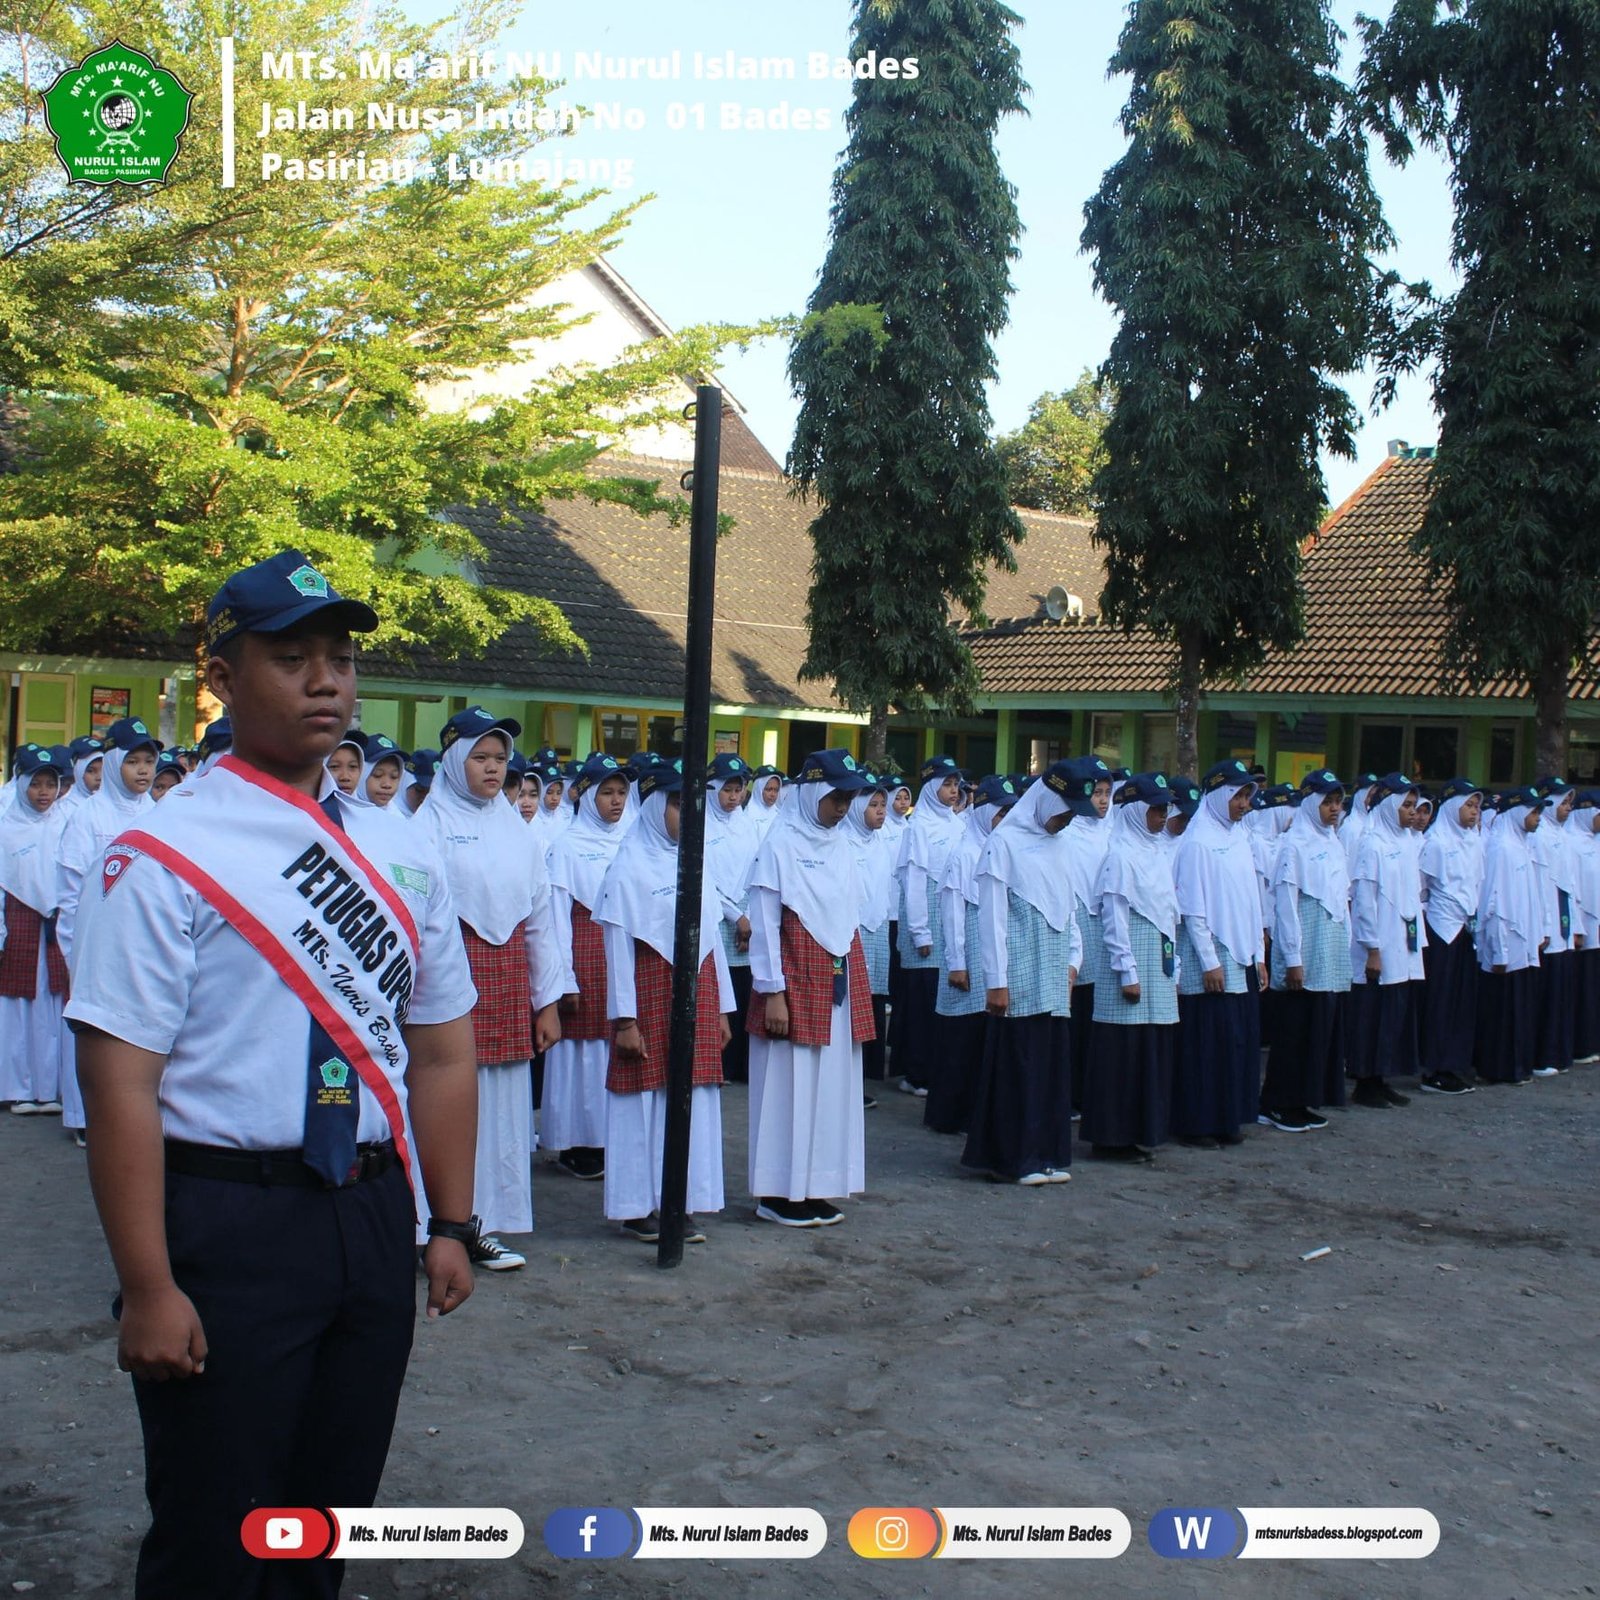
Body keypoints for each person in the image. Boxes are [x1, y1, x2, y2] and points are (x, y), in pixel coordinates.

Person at [65, 549, 479, 1600]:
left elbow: (440, 1043)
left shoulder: (403, 854)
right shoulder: (162, 853)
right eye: (290, 657)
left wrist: (452, 1220)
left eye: (340, 657)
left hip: (371, 1208)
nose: (326, 680)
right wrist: (150, 1285)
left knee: (324, 1523)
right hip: (229, 1220)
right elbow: (120, 1083)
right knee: (215, 1531)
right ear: (221, 674)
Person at [414, 708, 568, 1268]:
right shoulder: (424, 827)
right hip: (446, 977)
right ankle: (433, 1222)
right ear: (454, 759)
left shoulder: (516, 831)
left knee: (501, 1102)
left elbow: (541, 918)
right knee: (445, 1098)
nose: (492, 768)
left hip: (507, 979)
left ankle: (485, 1221)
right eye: (480, 757)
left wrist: (546, 1001)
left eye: (500, 759)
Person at [593, 762, 730, 1241]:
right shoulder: (627, 867)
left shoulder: (695, 860)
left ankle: (683, 1199)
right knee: (644, 1098)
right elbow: (617, 951)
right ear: (653, 807)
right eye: (676, 804)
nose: (687, 814)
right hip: (649, 994)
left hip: (698, 989)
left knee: (693, 1094)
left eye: (692, 804)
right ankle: (638, 1206)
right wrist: (624, 1021)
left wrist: (723, 1009)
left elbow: (712, 935)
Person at [745, 749, 874, 1227]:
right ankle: (779, 1192)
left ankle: (818, 1184)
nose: (842, 807)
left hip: (836, 975)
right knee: (788, 1084)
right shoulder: (778, 844)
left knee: (833, 1084)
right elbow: (764, 921)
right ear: (813, 792)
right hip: (793, 976)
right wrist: (772, 989)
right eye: (835, 796)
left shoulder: (839, 845)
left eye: (848, 798)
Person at [960, 759, 1090, 1185]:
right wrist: (995, 980)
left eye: (1074, 812)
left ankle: (1047, 1153)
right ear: (1045, 798)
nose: (1068, 819)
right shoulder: (1005, 843)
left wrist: (1074, 961)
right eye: (1064, 809)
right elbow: (992, 918)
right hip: (1018, 973)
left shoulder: (1062, 846)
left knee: (1050, 1064)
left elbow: (1069, 910)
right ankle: (1013, 1157)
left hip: (1053, 973)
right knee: (1019, 1064)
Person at [1083, 772, 1180, 1162]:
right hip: (1131, 971)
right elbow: (1114, 917)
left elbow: (1169, 916)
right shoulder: (1120, 855)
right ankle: (1111, 1138)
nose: (1161, 817)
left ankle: (1143, 1132)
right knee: (1123, 1055)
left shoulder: (1156, 852)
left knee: (1150, 1052)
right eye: (1154, 810)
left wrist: (1174, 969)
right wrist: (1127, 970)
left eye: (1163, 810)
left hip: (1157, 968)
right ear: (1137, 811)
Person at [1171, 760, 1267, 1147]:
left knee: (1235, 1042)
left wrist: (1259, 953)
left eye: (1248, 796)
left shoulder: (1239, 838)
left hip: (1241, 953)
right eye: (1238, 795)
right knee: (1206, 1044)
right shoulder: (1196, 842)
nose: (1244, 804)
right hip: (1209, 956)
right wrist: (1210, 961)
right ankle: (1198, 1123)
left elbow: (1251, 900)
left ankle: (1228, 1118)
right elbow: (1193, 909)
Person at [544, 754, 630, 1181]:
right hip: (583, 949)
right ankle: (578, 1141)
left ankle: (610, 1135)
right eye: (607, 793)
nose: (615, 802)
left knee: (613, 1040)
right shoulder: (567, 846)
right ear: (589, 796)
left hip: (619, 950)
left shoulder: (630, 840)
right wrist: (564, 976)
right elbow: (557, 915)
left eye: (621, 793)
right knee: (581, 1049)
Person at [1259, 770, 1351, 1129]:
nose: (1333, 809)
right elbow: (1286, 905)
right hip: (1305, 951)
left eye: (1338, 802)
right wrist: (1293, 959)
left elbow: (1341, 899)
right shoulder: (1292, 844)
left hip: (1329, 950)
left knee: (1319, 1029)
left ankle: (1305, 1098)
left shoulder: (1333, 842)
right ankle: (1279, 1102)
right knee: (1294, 1031)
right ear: (1311, 803)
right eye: (1326, 802)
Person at [929, 775, 1016, 1136]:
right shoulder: (965, 853)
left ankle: (973, 1112)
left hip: (988, 962)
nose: (1004, 822)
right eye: (999, 815)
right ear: (983, 814)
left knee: (981, 1039)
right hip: (965, 962)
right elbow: (952, 911)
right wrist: (956, 963)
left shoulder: (1002, 850)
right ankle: (950, 1114)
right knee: (960, 1041)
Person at [1346, 774, 1423, 1108]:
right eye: (1405, 805)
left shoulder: (1404, 841)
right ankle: (1365, 1081)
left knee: (1393, 1013)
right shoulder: (1371, 842)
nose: (1411, 812)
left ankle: (1381, 1076)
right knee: (1371, 1014)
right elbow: (1364, 900)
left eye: (1413, 805)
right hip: (1378, 945)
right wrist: (1372, 948)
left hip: (1402, 941)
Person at [892, 755, 966, 1097]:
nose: (953, 791)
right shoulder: (918, 826)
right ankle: (916, 1073)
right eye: (947, 785)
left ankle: (937, 1068)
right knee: (923, 1000)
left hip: (952, 924)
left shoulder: (957, 823)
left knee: (944, 999)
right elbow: (914, 881)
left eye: (955, 785)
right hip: (927, 926)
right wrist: (920, 931)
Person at [1, 746, 69, 1117]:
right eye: (35, 784)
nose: (44, 792)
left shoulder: (64, 823)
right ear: (21, 784)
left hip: (55, 924)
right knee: (16, 1006)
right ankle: (17, 1088)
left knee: (52, 1005)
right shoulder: (5, 826)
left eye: (50, 784)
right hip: (18, 923)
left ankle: (49, 1087)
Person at [1417, 778, 1486, 1095]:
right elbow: (1422, 888)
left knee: (1462, 1000)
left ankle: (1453, 1064)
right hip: (1441, 927)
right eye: (1468, 805)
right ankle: (1433, 1068)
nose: (1474, 812)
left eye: (1477, 806)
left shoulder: (1473, 841)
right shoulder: (1436, 842)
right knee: (1441, 1000)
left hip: (1465, 928)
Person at [1475, 788, 1548, 1085]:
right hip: (1505, 941)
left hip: (1522, 942)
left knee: (1518, 1008)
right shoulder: (1501, 847)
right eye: (1533, 812)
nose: (1537, 819)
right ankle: (1497, 1067)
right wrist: (1500, 949)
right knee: (1501, 1011)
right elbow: (1494, 902)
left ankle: (1516, 1065)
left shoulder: (1522, 846)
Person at [1061, 755, 1114, 1117]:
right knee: (1074, 1014)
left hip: (1104, 926)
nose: (1102, 800)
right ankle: (1068, 1094)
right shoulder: (1067, 834)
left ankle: (1087, 1090)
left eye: (1108, 793)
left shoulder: (1112, 833)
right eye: (1096, 792)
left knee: (1096, 1014)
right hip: (1077, 922)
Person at [704, 753, 759, 1085]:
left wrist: (748, 917)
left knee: (743, 989)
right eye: (727, 789)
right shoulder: (700, 822)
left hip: (746, 918)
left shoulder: (746, 824)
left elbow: (756, 870)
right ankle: (716, 1063)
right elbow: (704, 877)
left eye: (739, 789)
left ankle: (739, 1065)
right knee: (719, 989)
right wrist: (735, 915)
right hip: (716, 914)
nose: (734, 796)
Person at [844, 774, 897, 1102]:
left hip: (878, 930)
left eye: (882, 805)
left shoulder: (881, 842)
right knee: (852, 1004)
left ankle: (865, 1075)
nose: (880, 812)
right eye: (873, 805)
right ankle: (847, 1081)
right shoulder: (843, 841)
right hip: (854, 930)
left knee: (874, 1002)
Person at [1530, 777, 1580, 1076]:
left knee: (1561, 991)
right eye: (1562, 803)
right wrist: (1544, 926)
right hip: (1547, 922)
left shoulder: (1564, 835)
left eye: (1569, 803)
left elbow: (1570, 884)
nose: (1567, 809)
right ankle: (1541, 1054)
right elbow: (1540, 885)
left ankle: (1557, 1051)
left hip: (1563, 920)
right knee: (1545, 994)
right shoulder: (1540, 836)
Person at [1569, 789, 1600, 1065]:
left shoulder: (1595, 843)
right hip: (1582, 927)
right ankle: (1581, 1043)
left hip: (1598, 925)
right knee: (1583, 986)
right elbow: (1574, 889)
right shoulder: (1572, 844)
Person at [353, 733, 408, 812]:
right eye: (378, 775)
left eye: (394, 777)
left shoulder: (398, 819)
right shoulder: (341, 815)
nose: (387, 785)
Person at [401, 748, 438, 817]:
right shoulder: (386, 816)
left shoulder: (441, 820)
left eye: (432, 791)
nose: (425, 797)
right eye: (420, 790)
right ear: (404, 784)